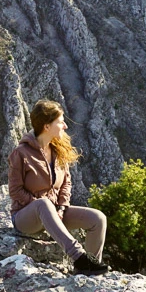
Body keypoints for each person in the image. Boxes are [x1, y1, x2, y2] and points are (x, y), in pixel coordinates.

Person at [8, 99, 109, 276]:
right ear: (47, 126)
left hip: (54, 211)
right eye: (61, 122)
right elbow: (15, 191)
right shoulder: (21, 153)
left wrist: (61, 207)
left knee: (97, 219)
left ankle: (89, 268)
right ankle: (79, 256)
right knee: (43, 204)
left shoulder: (57, 149)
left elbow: (66, 183)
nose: (65, 126)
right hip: (25, 217)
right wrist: (44, 206)